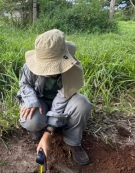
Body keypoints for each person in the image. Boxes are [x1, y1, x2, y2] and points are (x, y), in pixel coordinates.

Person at [16, 29, 92, 165]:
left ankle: (73, 141)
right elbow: (24, 84)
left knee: (82, 104)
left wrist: (48, 133)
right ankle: (37, 129)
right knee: (30, 120)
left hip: (66, 101)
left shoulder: (72, 68)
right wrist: (32, 101)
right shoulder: (29, 67)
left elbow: (61, 100)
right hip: (40, 100)